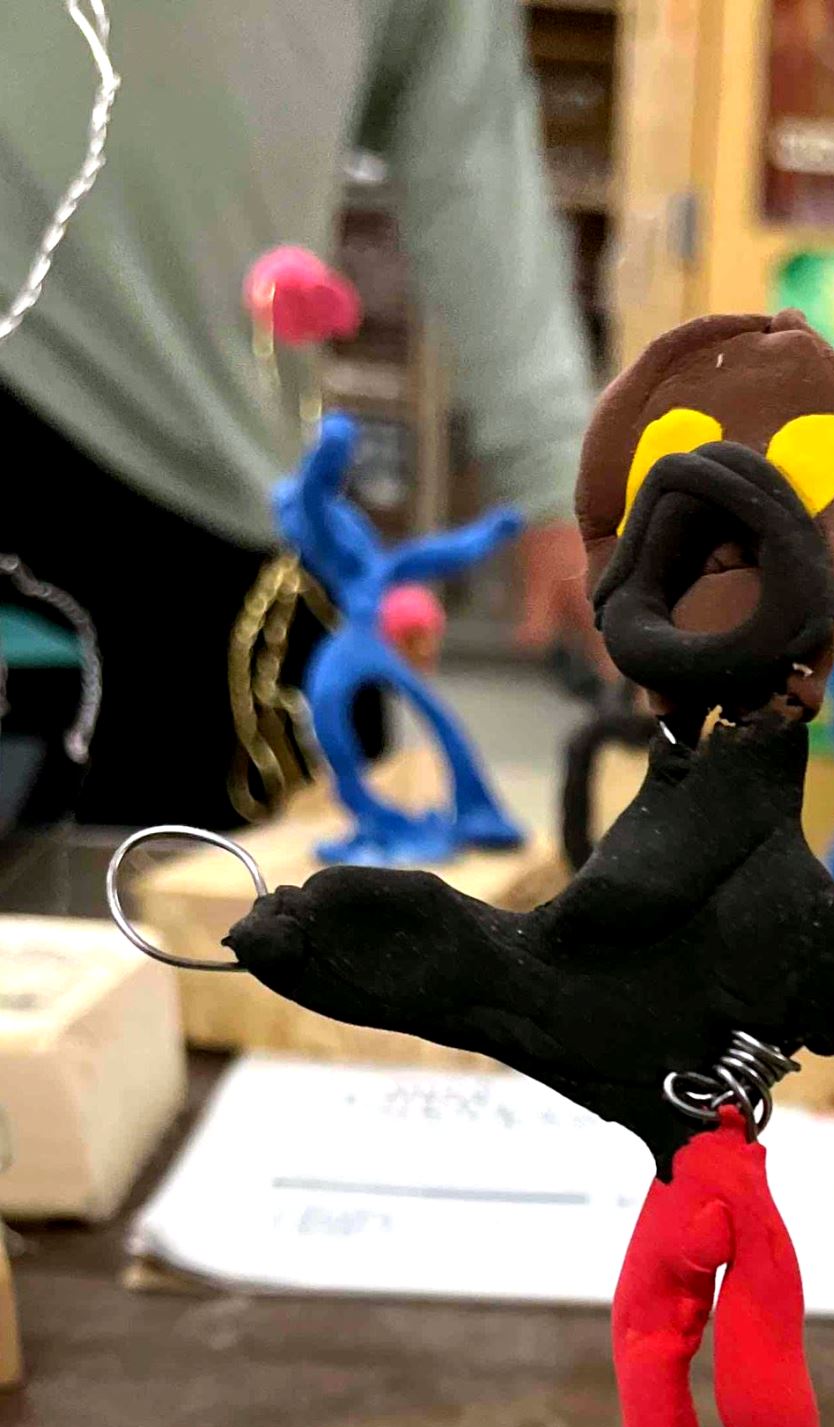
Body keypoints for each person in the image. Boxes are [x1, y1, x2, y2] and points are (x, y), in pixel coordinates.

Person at [0, 0, 600, 824]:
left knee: (290, 849)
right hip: (30, 395)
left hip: (231, 479)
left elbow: (468, 132)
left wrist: (557, 472)